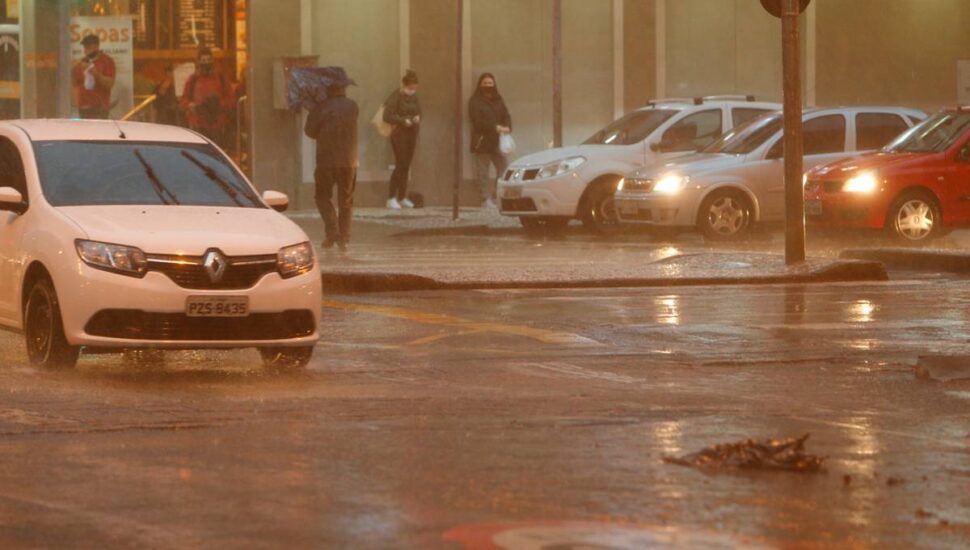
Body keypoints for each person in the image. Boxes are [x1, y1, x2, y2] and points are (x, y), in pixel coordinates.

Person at [304, 68, 359, 251]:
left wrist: (315, 109)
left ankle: (332, 232)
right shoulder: (353, 106)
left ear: (327, 89)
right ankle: (343, 238)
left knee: (322, 197)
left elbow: (309, 131)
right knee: (346, 200)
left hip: (326, 161)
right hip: (348, 161)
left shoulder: (320, 107)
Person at [469, 73, 512, 209]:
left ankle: (497, 197)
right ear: (480, 84)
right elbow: (477, 121)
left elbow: (506, 115)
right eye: (485, 83)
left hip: (497, 141)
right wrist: (495, 127)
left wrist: (508, 127)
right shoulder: (475, 101)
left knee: (503, 169)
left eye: (490, 83)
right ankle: (485, 200)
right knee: (483, 172)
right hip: (482, 142)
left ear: (494, 84)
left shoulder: (498, 99)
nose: (488, 85)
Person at [382, 70, 421, 209]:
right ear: (404, 85)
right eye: (410, 88)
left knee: (406, 165)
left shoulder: (414, 97)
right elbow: (387, 116)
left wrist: (417, 117)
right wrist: (403, 120)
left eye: (415, 88)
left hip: (411, 133)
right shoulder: (395, 96)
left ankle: (402, 196)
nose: (412, 91)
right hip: (399, 134)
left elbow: (419, 110)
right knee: (400, 164)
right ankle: (391, 197)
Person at [180, 47, 234, 149]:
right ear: (199, 61)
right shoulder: (192, 80)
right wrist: (191, 105)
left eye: (208, 60)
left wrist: (218, 104)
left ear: (212, 61)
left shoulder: (222, 78)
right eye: (203, 60)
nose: (206, 63)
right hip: (198, 125)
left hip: (218, 126)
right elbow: (184, 100)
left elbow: (231, 99)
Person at [72, 34, 116, 119]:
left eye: (88, 46)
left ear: (97, 46)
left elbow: (110, 84)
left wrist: (95, 74)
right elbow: (75, 84)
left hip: (99, 107)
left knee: (99, 132)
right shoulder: (81, 62)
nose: (86, 50)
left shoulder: (107, 61)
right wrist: (72, 72)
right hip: (83, 106)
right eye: (84, 47)